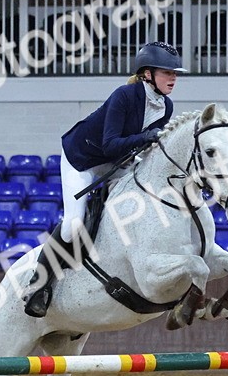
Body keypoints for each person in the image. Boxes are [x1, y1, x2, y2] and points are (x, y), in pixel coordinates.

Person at [23, 41, 186, 317]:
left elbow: (137, 150)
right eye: (167, 72)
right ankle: (38, 286)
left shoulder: (165, 107)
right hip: (82, 159)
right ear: (147, 73)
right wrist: (145, 137)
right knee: (73, 225)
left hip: (116, 162)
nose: (173, 78)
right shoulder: (124, 95)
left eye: (174, 73)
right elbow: (110, 143)